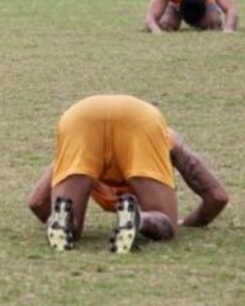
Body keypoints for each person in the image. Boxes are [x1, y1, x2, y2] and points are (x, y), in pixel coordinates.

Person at [26, 95, 228, 253]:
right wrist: (183, 223)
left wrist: (53, 216)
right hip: (139, 120)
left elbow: (37, 202)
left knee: (72, 230)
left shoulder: (75, 154)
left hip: (80, 117)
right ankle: (139, 219)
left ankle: (63, 221)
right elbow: (217, 197)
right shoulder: (167, 139)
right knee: (164, 220)